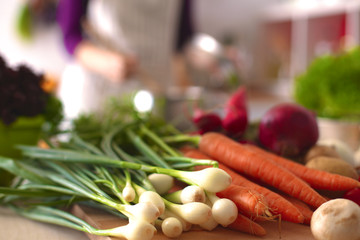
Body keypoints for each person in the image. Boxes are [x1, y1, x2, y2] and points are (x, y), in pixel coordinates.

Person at [56, 0, 195, 117]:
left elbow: (182, 39)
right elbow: (70, 36)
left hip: (157, 89)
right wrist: (105, 63)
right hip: (98, 90)